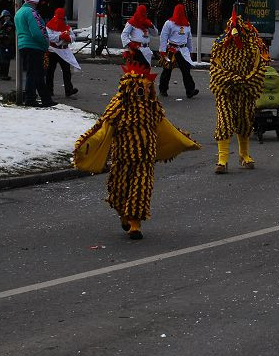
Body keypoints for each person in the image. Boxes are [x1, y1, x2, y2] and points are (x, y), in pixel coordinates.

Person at [73, 62, 200, 240]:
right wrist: (85, 143)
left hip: (145, 157)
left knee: (140, 189)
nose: (146, 91)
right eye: (142, 88)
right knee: (117, 191)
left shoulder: (152, 107)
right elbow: (101, 127)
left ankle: (135, 224)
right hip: (122, 157)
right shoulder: (118, 107)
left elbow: (165, 126)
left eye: (148, 88)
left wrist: (182, 139)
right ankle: (124, 215)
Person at [209, 8, 269, 173]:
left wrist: (247, 80)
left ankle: (244, 155)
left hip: (245, 91)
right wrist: (230, 79)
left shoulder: (251, 47)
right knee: (224, 122)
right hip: (225, 91)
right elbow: (215, 67)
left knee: (245, 122)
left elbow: (258, 67)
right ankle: (222, 160)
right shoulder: (220, 46)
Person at [15, 0, 54, 107]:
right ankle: (30, 99)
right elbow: (37, 32)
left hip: (23, 45)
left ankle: (46, 99)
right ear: (34, 2)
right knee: (34, 74)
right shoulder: (31, 13)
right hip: (34, 46)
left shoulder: (19, 12)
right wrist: (45, 44)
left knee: (36, 73)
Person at [157, 4, 198, 99]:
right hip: (172, 50)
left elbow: (189, 38)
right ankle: (163, 89)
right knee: (167, 70)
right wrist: (162, 50)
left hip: (183, 50)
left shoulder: (186, 24)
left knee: (186, 71)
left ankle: (190, 90)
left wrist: (190, 51)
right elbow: (163, 37)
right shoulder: (169, 23)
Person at [45, 8, 80, 98]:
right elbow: (49, 37)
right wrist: (60, 36)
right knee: (50, 71)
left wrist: (69, 38)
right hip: (53, 50)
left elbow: (73, 36)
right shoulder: (49, 25)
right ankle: (48, 90)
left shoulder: (66, 26)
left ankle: (69, 90)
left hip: (64, 51)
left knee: (66, 71)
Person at [0, 9, 15, 80]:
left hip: (8, 45)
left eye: (8, 17)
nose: (7, 18)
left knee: (7, 60)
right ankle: (0, 73)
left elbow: (13, 35)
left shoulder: (11, 25)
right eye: (5, 17)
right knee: (1, 60)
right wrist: (2, 36)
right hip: (1, 44)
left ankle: (5, 74)